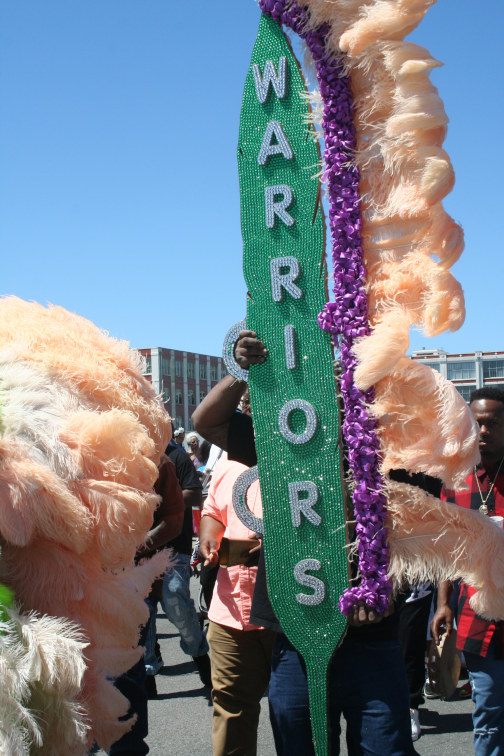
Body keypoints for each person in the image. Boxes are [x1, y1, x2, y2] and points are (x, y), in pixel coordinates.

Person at [193, 330, 415, 756]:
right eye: (320, 389)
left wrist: (387, 591)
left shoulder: (390, 451)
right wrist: (243, 369)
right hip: (296, 635)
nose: (331, 398)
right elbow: (209, 422)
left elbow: (420, 534)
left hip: (371, 639)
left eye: (342, 389)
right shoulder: (283, 443)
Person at [432, 386, 504, 756]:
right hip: (477, 618)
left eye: (493, 423)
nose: (484, 431)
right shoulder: (456, 481)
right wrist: (443, 604)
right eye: (477, 423)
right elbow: (447, 551)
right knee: (488, 715)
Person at [199, 455, 275, 756]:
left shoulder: (303, 456)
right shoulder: (229, 464)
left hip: (287, 615)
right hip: (229, 612)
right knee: (231, 708)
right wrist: (209, 537)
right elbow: (212, 511)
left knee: (298, 712)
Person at [109, 454, 185, 755]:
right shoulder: (68, 445)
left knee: (126, 676)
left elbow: (173, 521)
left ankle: (127, 744)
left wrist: (129, 551)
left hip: (130, 589)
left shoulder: (155, 459)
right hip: (74, 588)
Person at [162, 432, 211, 687]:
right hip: (136, 550)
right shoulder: (128, 458)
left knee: (175, 597)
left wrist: (161, 501)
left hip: (174, 545)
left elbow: (194, 493)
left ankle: (199, 653)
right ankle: (149, 668)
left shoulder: (176, 456)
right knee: (139, 614)